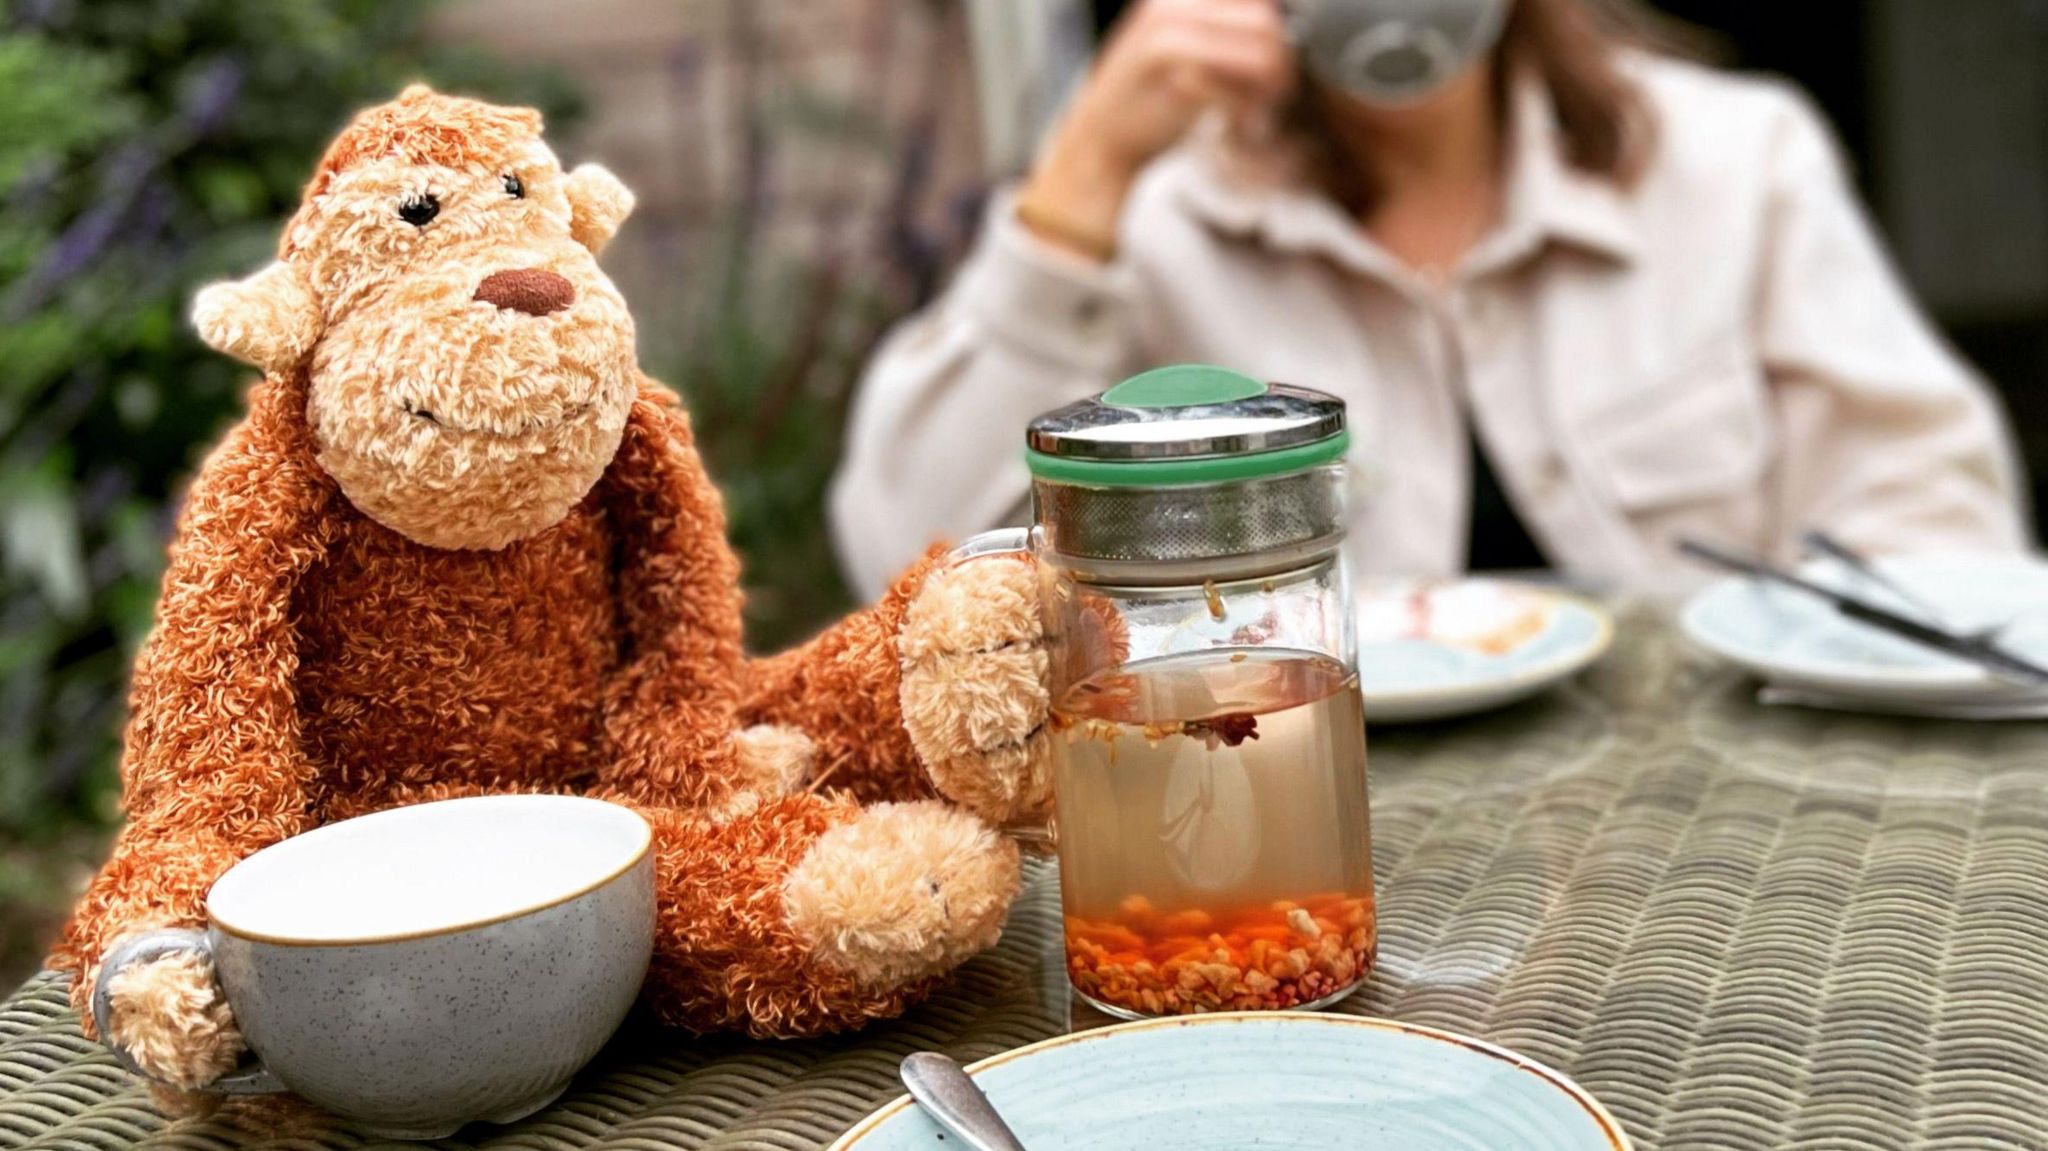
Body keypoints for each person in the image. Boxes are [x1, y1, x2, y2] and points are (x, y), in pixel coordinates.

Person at [829, 0, 2027, 600]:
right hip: (1311, 834)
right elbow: (906, 559)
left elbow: (1934, 524)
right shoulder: (1153, 222)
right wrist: (1078, 180)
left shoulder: (1733, 160)